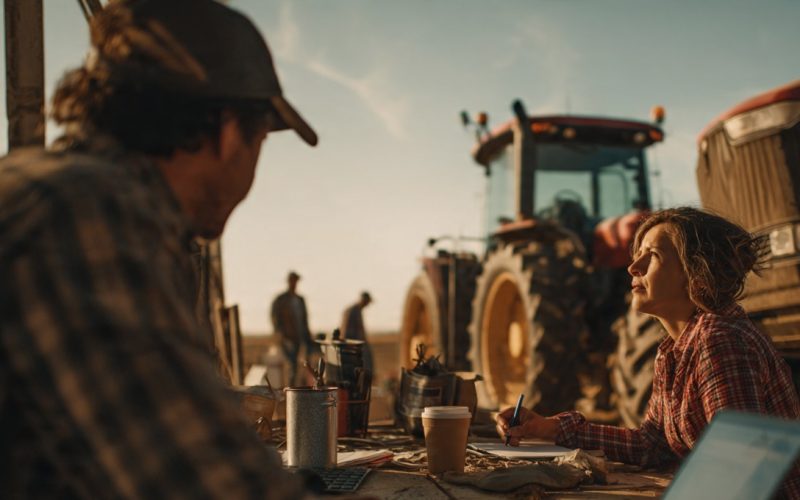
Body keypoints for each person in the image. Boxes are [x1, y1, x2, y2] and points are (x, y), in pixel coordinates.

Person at [0, 0, 318, 498]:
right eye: (259, 142)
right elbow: (206, 484)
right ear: (229, 132)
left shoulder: (34, 182)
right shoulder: (92, 217)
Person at [496, 207, 800, 498]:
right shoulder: (674, 350)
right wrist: (549, 428)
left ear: (697, 275)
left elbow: (739, 469)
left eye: (652, 255)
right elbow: (652, 444)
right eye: (637, 253)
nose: (633, 267)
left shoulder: (721, 340)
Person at [270, 271, 315, 386]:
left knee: (306, 364)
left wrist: (307, 335)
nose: (294, 283)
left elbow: (304, 319)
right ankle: (290, 389)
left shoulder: (300, 300)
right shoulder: (281, 300)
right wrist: (280, 334)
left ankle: (300, 388)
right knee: (292, 364)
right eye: (293, 281)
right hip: (287, 337)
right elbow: (275, 317)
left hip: (300, 337)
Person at [342, 291, 374, 375]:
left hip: (355, 344)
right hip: (352, 344)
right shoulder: (353, 311)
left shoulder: (356, 310)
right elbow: (347, 331)